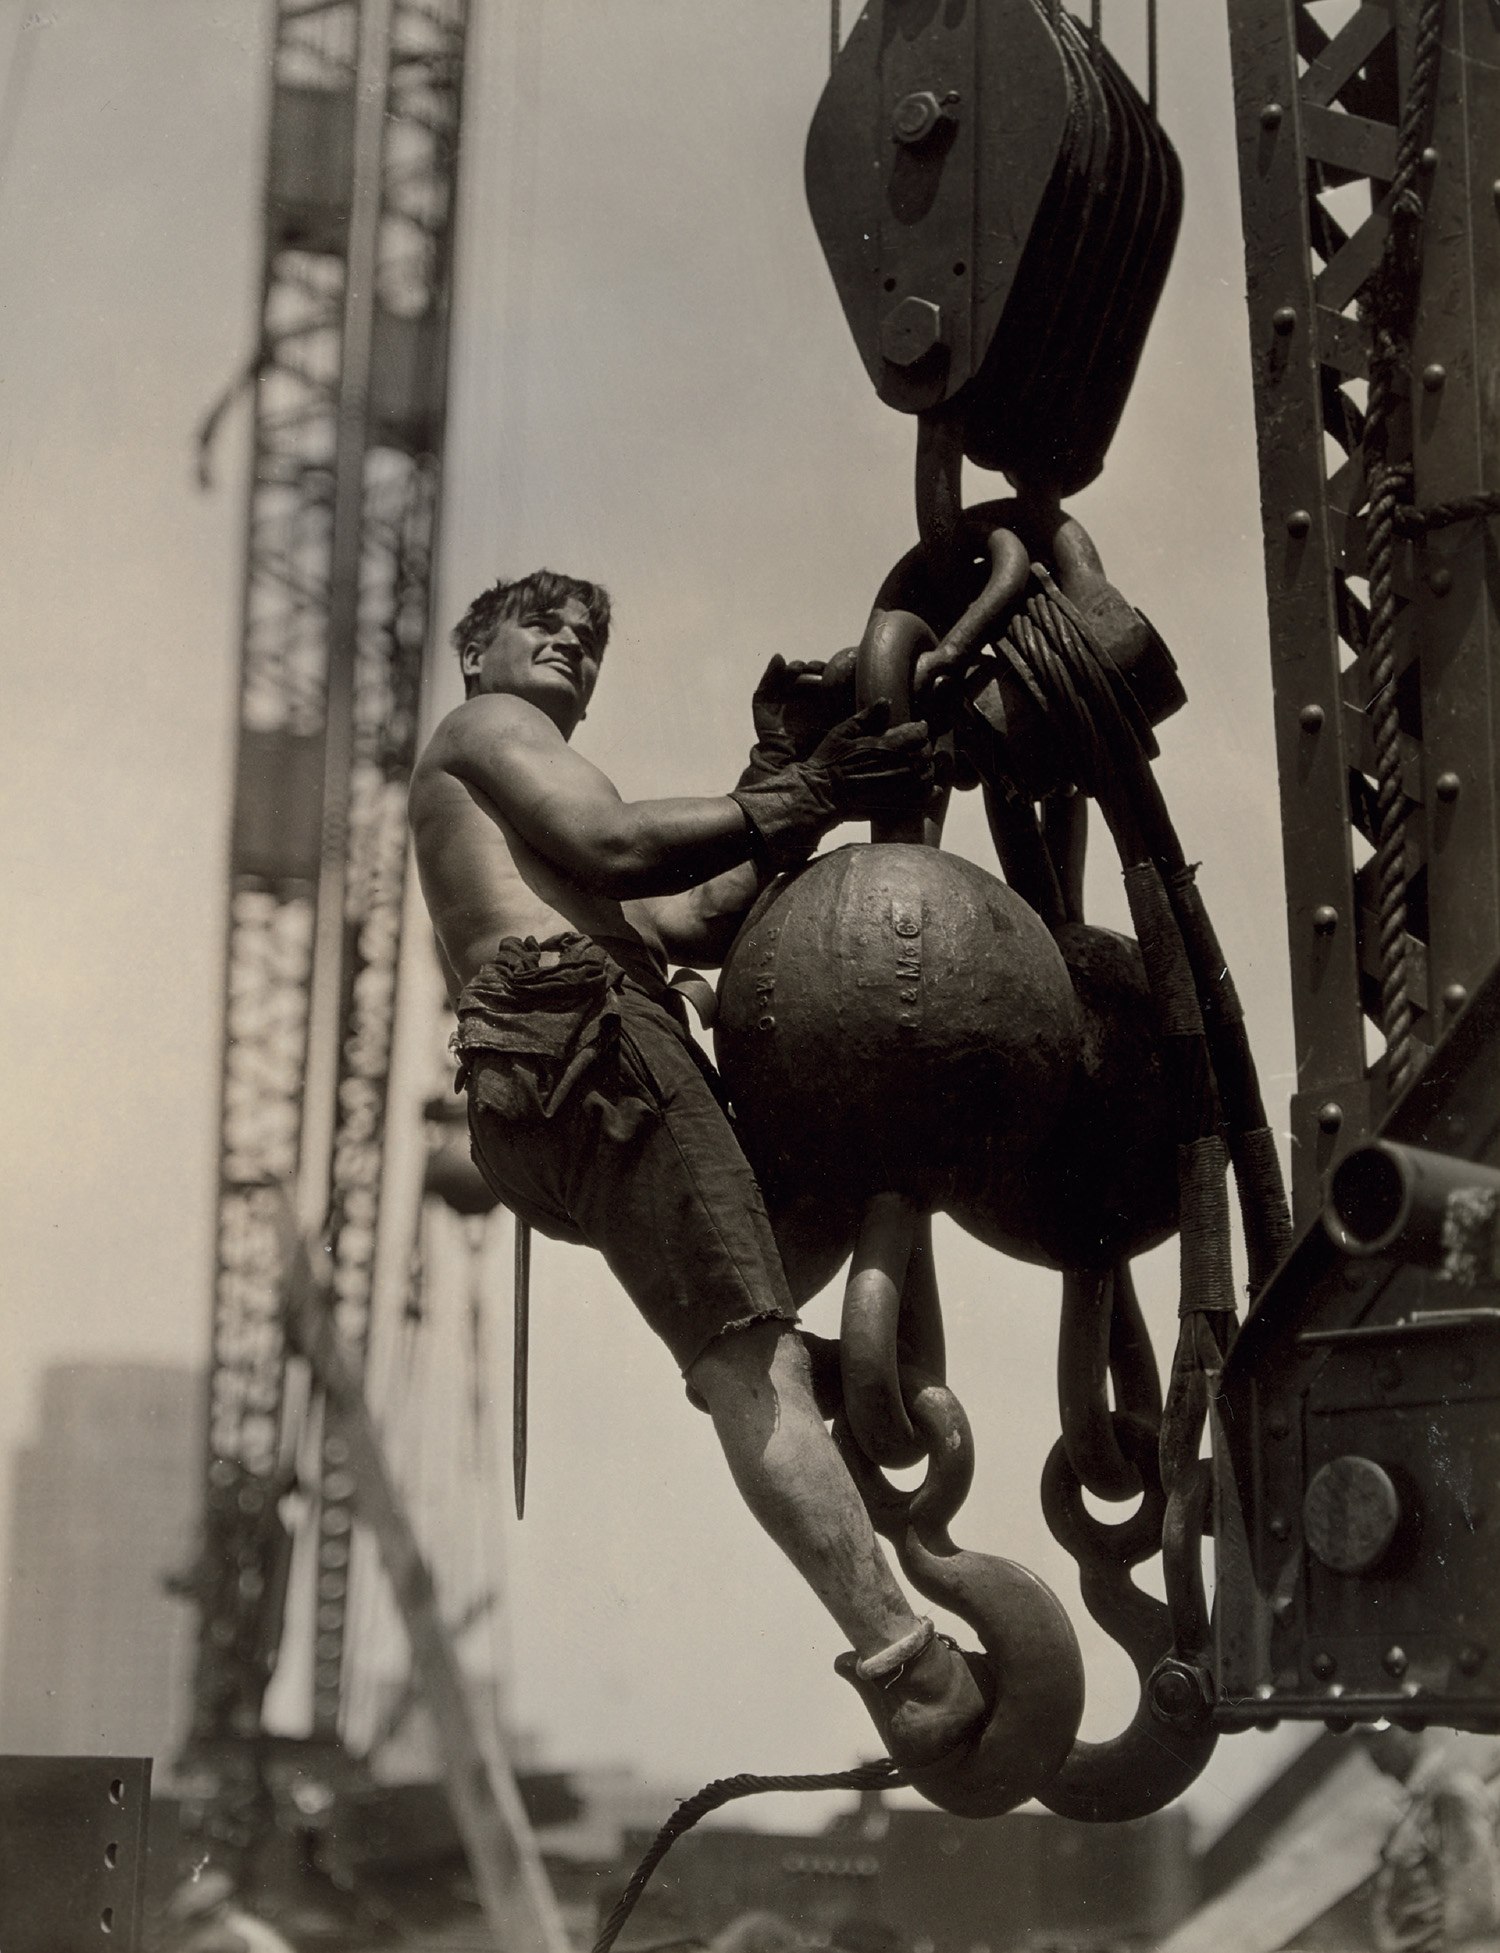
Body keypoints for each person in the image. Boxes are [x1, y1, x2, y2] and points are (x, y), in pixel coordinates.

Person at [408, 568, 986, 1770]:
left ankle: (796, 1378)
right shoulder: (488, 730)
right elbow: (617, 848)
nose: (571, 642)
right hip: (588, 1037)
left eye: (588, 638)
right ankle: (907, 1667)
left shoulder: (513, 836)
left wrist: (792, 787)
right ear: (477, 657)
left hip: (553, 1083)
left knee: (787, 1242)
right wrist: (810, 788)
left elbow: (685, 921)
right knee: (744, 1358)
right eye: (543, 626)